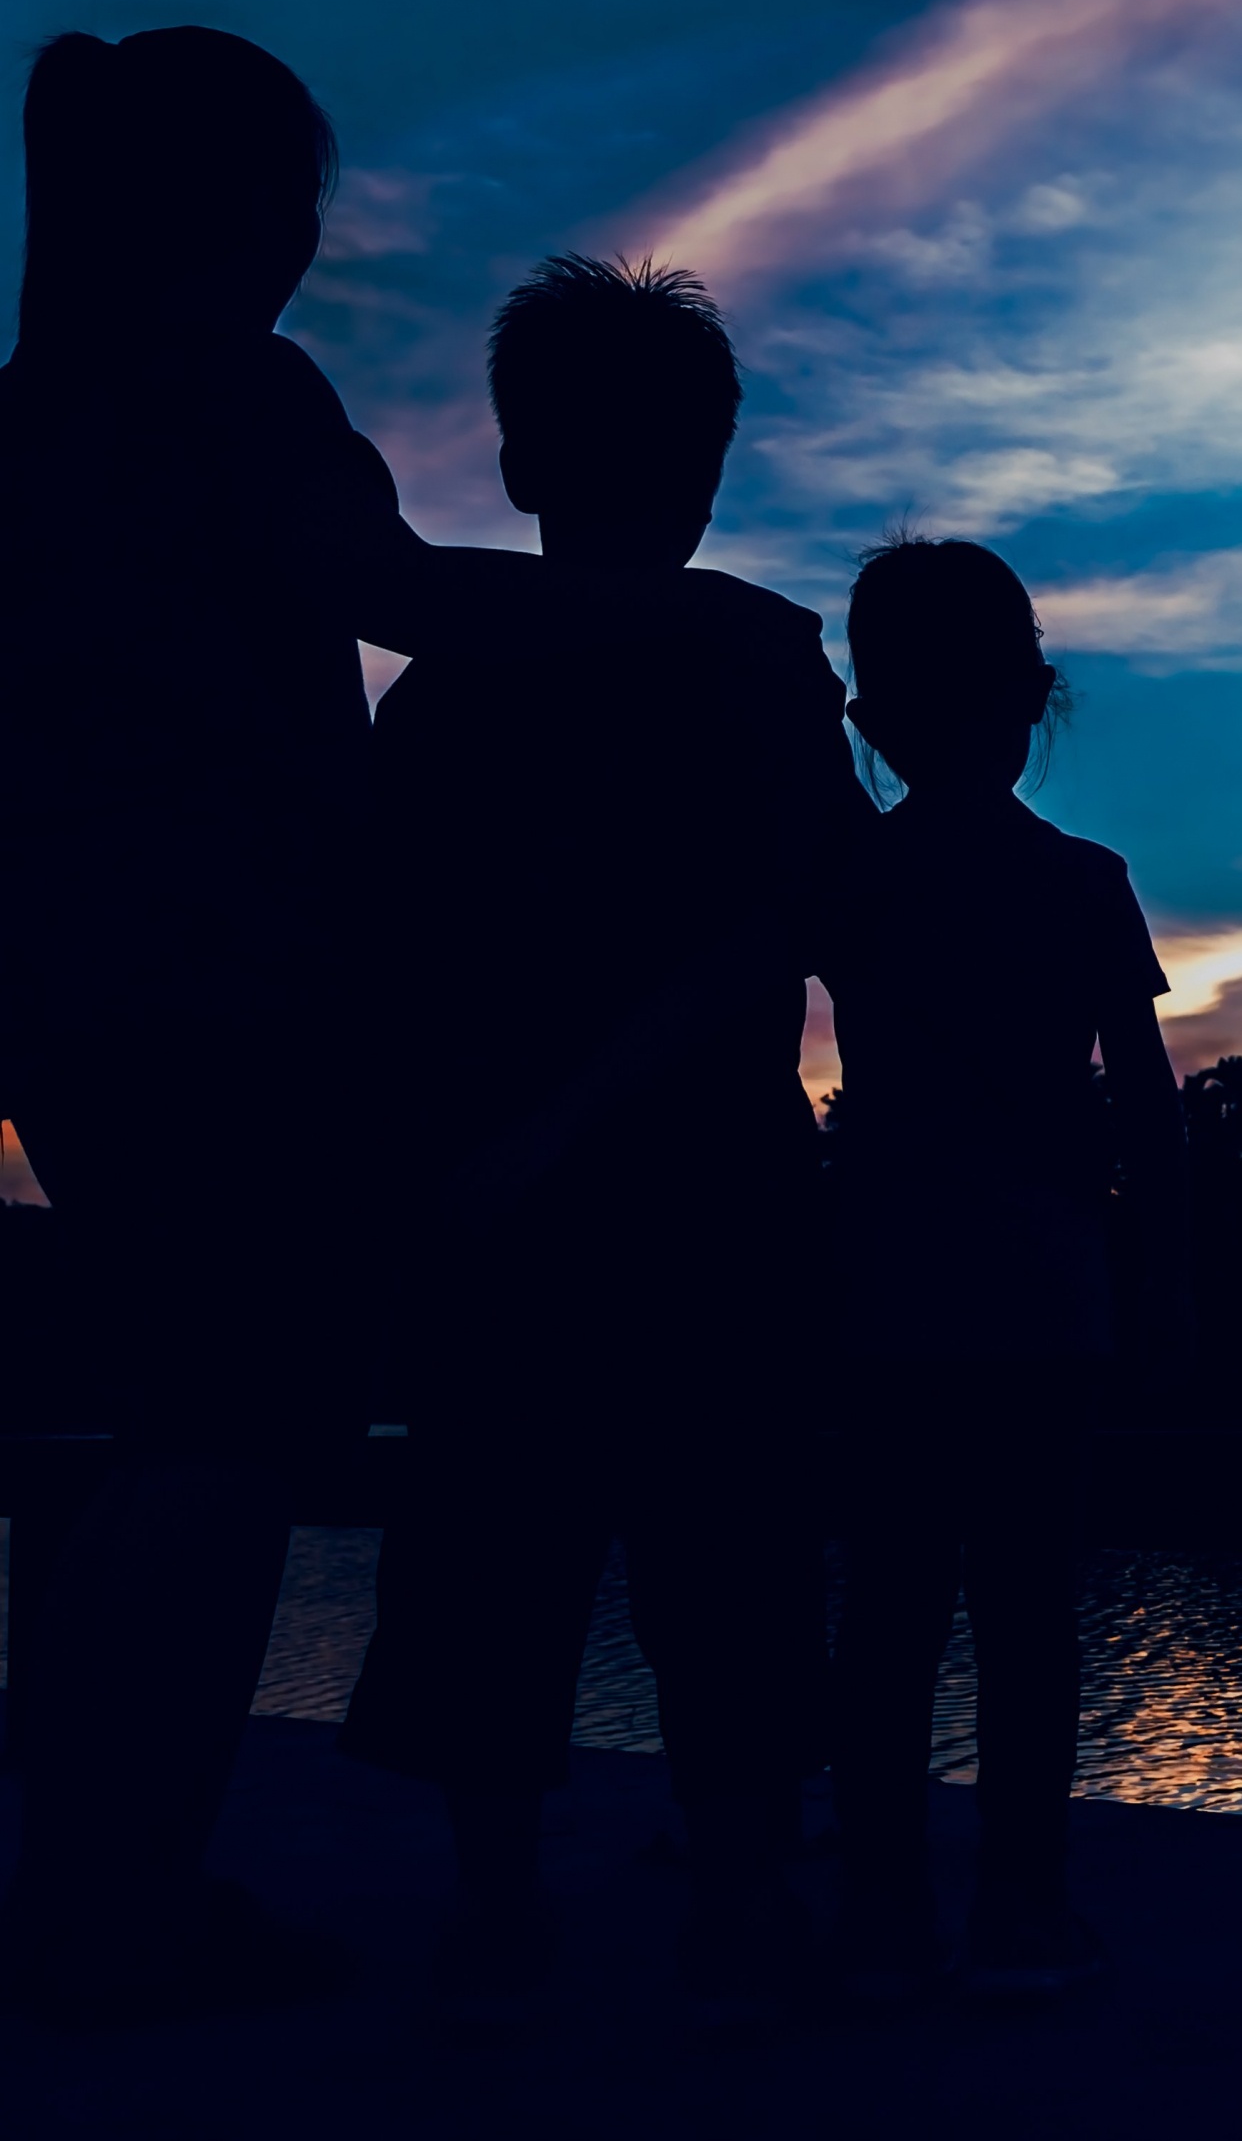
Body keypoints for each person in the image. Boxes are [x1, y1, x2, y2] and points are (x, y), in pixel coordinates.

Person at [0, 35, 795, 2025]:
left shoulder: (41, 414)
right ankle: (116, 1903)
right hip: (223, 999)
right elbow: (394, 596)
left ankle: (103, 1881)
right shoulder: (231, 394)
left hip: (89, 994)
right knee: (222, 1436)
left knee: (186, 1434)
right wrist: (703, 617)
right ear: (248, 217)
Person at [341, 253, 870, 2028]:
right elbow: (801, 917)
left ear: (516, 466)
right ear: (706, 470)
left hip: (496, 1199)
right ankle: (737, 1902)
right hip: (711, 1192)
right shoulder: (757, 663)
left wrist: (469, 1149)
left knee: (491, 1556)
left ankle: (500, 1914)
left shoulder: (438, 698)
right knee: (730, 1558)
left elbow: (379, 959)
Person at [817, 534, 1188, 2003]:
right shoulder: (1084, 884)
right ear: (1032, 696)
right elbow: (1149, 1113)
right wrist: (1163, 1288)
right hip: (1046, 1291)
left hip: (887, 1291)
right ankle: (1022, 1910)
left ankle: (880, 1912)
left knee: (890, 1616)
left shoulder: (852, 879)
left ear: (873, 714)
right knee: (1029, 1617)